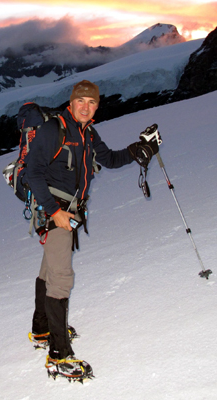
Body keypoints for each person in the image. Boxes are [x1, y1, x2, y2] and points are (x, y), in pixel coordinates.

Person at [26, 80, 159, 381]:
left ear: (97, 106)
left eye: (92, 102)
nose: (86, 106)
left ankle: (41, 329)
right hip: (56, 212)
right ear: (71, 103)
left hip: (69, 211)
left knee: (49, 271)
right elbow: (33, 172)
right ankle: (59, 355)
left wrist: (140, 150)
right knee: (61, 279)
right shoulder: (53, 130)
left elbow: (109, 159)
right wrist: (54, 212)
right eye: (81, 101)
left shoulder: (87, 132)